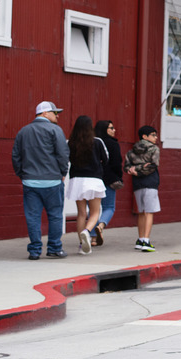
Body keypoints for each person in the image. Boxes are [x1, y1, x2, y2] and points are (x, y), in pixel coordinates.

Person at [11, 101, 70, 260]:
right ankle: (54, 248)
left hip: (30, 181)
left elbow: (16, 156)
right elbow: (63, 154)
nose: (57, 116)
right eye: (55, 113)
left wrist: (22, 175)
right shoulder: (55, 130)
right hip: (52, 181)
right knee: (55, 215)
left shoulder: (23, 131)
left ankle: (35, 250)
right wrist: (63, 172)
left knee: (33, 217)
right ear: (45, 113)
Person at [64, 116, 108, 254]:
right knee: (95, 212)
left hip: (76, 180)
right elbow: (106, 159)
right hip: (94, 179)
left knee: (81, 213)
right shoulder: (97, 141)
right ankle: (87, 231)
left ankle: (82, 246)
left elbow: (67, 159)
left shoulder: (71, 143)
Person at [126, 125, 162, 252]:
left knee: (141, 212)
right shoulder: (154, 149)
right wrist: (142, 168)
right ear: (144, 136)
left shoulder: (131, 151)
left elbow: (127, 167)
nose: (156, 137)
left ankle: (140, 239)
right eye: (153, 135)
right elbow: (153, 166)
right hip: (150, 182)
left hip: (137, 183)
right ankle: (146, 241)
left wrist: (135, 170)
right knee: (149, 212)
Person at [91, 119, 125, 248]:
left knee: (92, 209)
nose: (114, 130)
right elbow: (116, 163)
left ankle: (93, 238)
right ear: (105, 129)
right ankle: (101, 225)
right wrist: (118, 177)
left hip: (93, 178)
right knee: (109, 207)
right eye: (111, 128)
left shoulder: (92, 142)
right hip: (108, 180)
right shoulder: (112, 143)